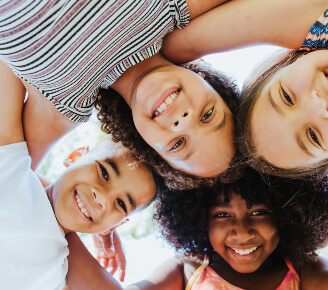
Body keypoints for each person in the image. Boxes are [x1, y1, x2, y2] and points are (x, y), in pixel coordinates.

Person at [64, 146, 328, 290]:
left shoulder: (300, 273)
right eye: (222, 215)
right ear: (199, 218)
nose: (240, 231)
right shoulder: (191, 271)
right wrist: (69, 225)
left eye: (259, 211)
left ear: (286, 214)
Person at [161, 0, 328, 203]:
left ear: (289, 62)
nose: (317, 106)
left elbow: (176, 45)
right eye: (313, 136)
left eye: (286, 97)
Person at [0, 0, 239, 187]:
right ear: (209, 83)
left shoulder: (65, 106)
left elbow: (8, 177)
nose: (183, 122)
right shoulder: (174, 7)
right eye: (208, 115)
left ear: (147, 146)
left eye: (178, 144)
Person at [0, 60, 158, 290]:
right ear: (74, 156)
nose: (103, 198)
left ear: (119, 223)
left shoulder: (62, 270)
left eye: (121, 205)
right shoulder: (10, 168)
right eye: (104, 171)